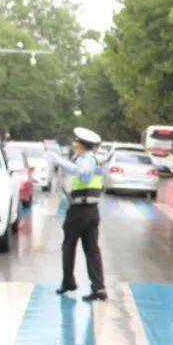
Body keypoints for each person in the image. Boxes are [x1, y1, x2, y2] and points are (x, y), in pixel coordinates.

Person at [44, 128, 108, 301]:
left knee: (69, 246)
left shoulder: (87, 160)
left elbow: (82, 173)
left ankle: (68, 282)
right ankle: (98, 287)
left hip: (80, 211)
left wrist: (59, 160)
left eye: (75, 141)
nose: (73, 144)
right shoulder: (93, 159)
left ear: (81, 144)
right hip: (91, 210)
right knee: (91, 249)